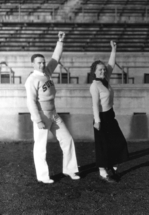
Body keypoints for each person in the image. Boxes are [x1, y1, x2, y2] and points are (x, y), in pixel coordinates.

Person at [25, 31, 80, 184]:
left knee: (67, 139)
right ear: (33, 64)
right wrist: (37, 120)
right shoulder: (32, 79)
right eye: (39, 63)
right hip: (42, 116)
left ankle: (70, 170)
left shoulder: (47, 72)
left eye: (43, 62)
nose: (42, 64)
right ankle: (43, 176)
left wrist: (60, 41)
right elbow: (30, 102)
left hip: (53, 114)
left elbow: (55, 58)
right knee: (41, 147)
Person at [89, 40, 129, 183]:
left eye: (103, 69)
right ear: (94, 72)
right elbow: (94, 105)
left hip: (110, 115)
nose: (103, 71)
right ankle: (103, 171)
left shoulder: (105, 79)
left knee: (119, 141)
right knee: (102, 146)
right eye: (99, 70)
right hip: (100, 117)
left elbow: (111, 64)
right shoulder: (95, 86)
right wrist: (97, 121)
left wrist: (114, 49)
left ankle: (111, 164)